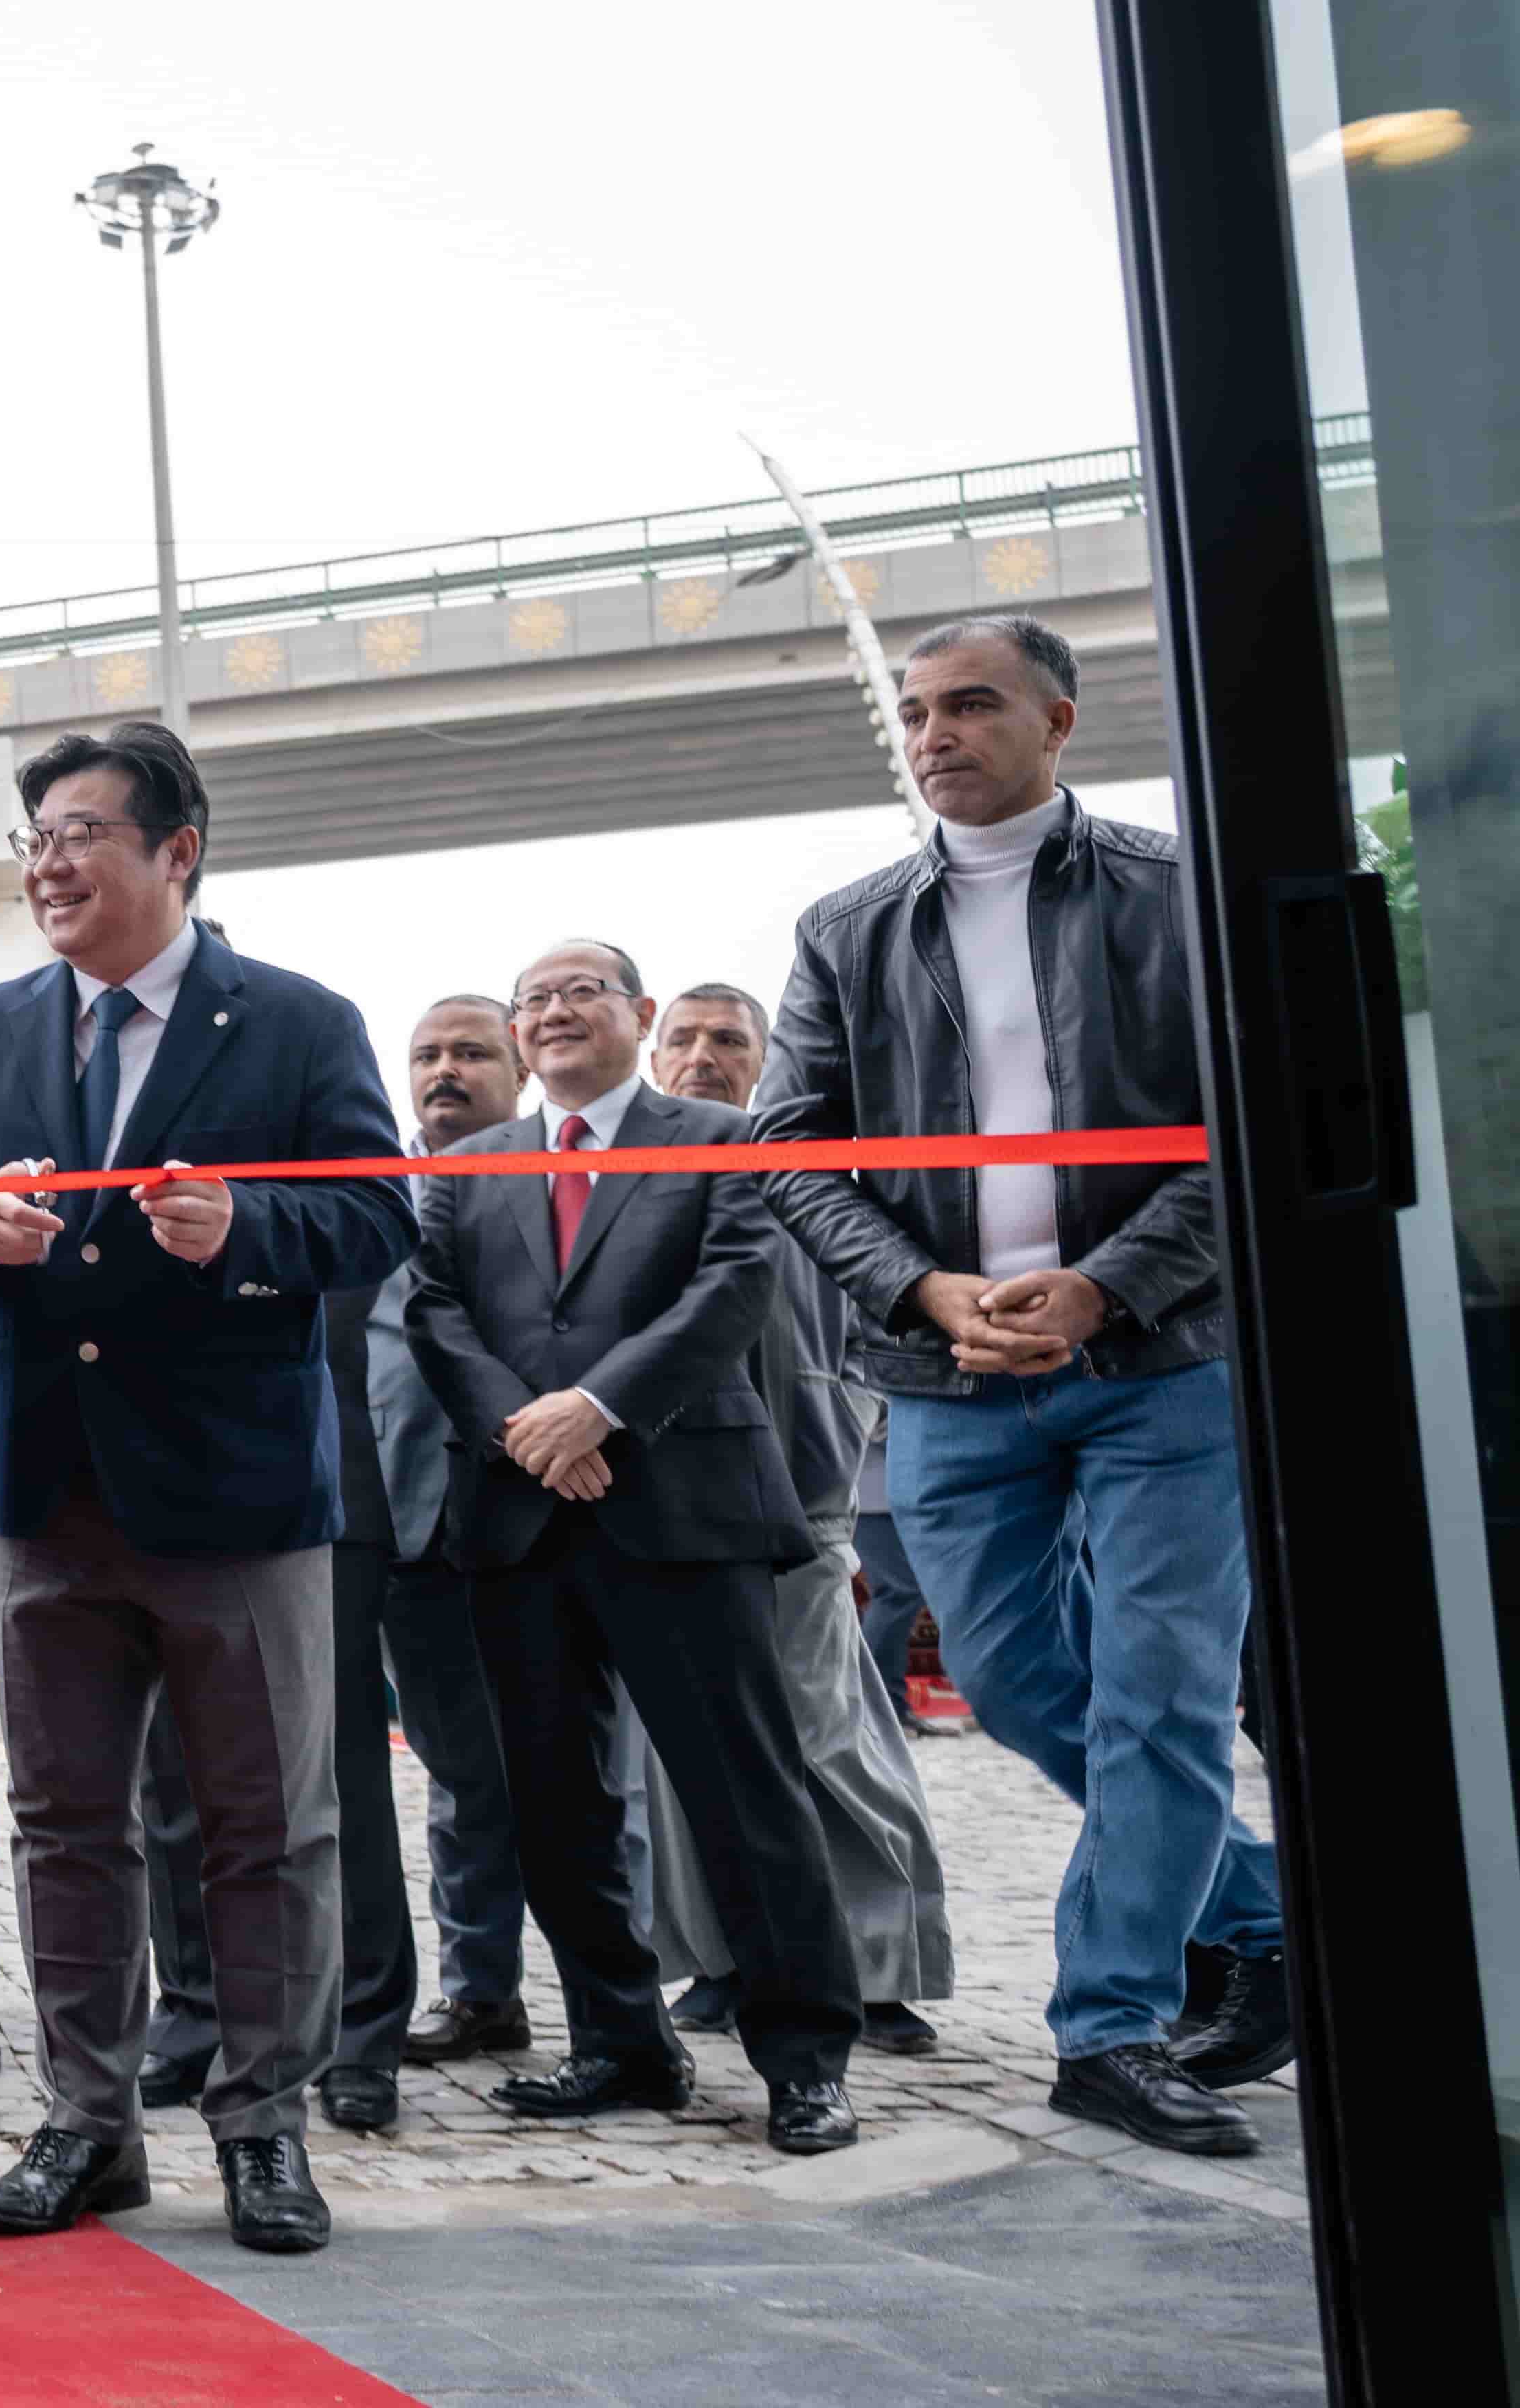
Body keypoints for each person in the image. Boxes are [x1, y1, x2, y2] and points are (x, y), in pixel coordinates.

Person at [0, 722, 412, 2258]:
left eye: (82, 834)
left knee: (268, 1828)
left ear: (179, 852)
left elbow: (378, 1217)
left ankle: (262, 2125)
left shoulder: (299, 1022)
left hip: (233, 1499)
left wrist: (247, 1233)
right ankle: (88, 2124)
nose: (48, 864)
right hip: (41, 1496)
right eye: (35, 838)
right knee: (64, 1825)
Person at [757, 615, 1284, 2157]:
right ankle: (1262, 1918)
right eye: (916, 711)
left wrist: (1106, 1285)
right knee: (1010, 1682)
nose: (935, 735)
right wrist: (924, 1292)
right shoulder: (847, 928)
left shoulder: (1175, 895)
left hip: (1162, 1367)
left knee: (1162, 1694)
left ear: (1058, 720)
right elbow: (791, 1149)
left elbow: (1243, 1118)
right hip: (947, 1374)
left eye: (971, 704)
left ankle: (1110, 2026)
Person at [408, 939, 869, 2159]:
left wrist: (599, 1409)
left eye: (582, 992)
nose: (555, 1012)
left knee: (745, 1792)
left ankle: (804, 2060)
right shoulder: (469, 1166)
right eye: (535, 999)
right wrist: (527, 1429)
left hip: (684, 1511)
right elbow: (435, 1310)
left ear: (639, 1011)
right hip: (518, 1515)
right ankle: (620, 2043)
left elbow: (734, 1289)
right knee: (556, 1804)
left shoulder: (720, 1141)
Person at [642, 981, 953, 2058]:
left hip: (800, 1498)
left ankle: (878, 1967)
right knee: (681, 1750)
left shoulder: (810, 1176)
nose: (702, 1056)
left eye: (728, 1040)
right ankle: (726, 1961)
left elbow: (884, 1314)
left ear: (766, 1060)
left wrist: (841, 1429)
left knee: (827, 1734)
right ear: (654, 1054)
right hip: (664, 1504)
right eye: (683, 1038)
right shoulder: (633, 1174)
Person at [366, 999, 644, 2075]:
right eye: (427, 1054)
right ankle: (482, 1992)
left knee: (583, 1771)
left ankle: (617, 2012)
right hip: (411, 1520)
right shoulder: (373, 1193)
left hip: (553, 1512)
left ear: (521, 1066)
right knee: (460, 1771)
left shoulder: (566, 1181)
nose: (446, 1071)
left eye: (472, 1052)